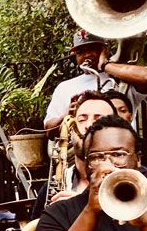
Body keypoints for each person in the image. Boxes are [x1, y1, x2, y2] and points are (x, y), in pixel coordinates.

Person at [42, 30, 147, 132]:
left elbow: (146, 77)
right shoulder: (64, 87)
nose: (86, 55)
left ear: (103, 50)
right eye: (80, 52)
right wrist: (67, 116)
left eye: (91, 49)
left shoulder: (122, 78)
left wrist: (104, 65)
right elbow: (49, 130)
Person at [28, 92, 117, 220]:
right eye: (81, 119)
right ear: (71, 131)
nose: (88, 125)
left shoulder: (133, 179)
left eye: (98, 119)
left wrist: (79, 206)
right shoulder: (52, 185)